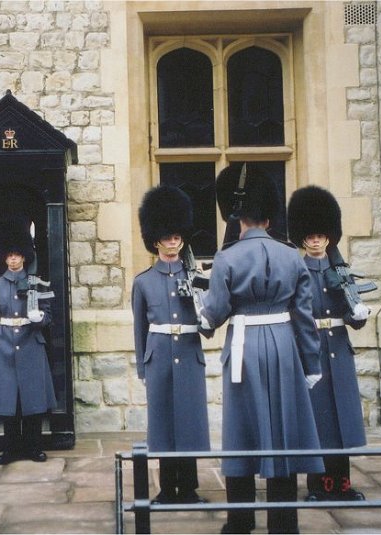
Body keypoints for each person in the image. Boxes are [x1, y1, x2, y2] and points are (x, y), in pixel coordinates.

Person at [198, 163, 324, 534]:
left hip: (244, 348)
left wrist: (202, 315)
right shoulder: (292, 257)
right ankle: (283, 523)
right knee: (282, 432)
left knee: (241, 433)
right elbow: (304, 317)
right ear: (270, 217)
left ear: (236, 217)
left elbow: (215, 313)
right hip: (284, 347)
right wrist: (311, 363)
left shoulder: (226, 258)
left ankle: (240, 520)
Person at [287, 185, 369, 501]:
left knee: (341, 420)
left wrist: (358, 311)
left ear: (329, 235)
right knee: (317, 419)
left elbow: (354, 317)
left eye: (321, 234)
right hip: (311, 350)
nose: (316, 239)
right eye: (310, 235)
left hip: (338, 349)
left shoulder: (340, 269)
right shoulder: (297, 269)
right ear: (302, 237)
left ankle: (342, 484)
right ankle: (318, 485)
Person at [132, 184, 211, 505]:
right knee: (164, 422)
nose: (173, 241)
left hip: (189, 351)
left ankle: (189, 488)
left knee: (189, 421)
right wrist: (142, 365)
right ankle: (167, 489)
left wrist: (202, 294)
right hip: (160, 354)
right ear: (156, 240)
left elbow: (208, 321)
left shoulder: (197, 275)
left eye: (177, 236)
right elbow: (140, 328)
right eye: (166, 236)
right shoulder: (143, 281)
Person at [0, 226, 57, 465]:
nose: (13, 258)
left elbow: (48, 316)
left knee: (32, 398)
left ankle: (34, 447)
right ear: (5, 257)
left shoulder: (36, 284)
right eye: (10, 255)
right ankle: (10, 449)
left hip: (30, 342)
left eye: (17, 254)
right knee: (9, 400)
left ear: (24, 256)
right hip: (4, 343)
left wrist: (38, 319)